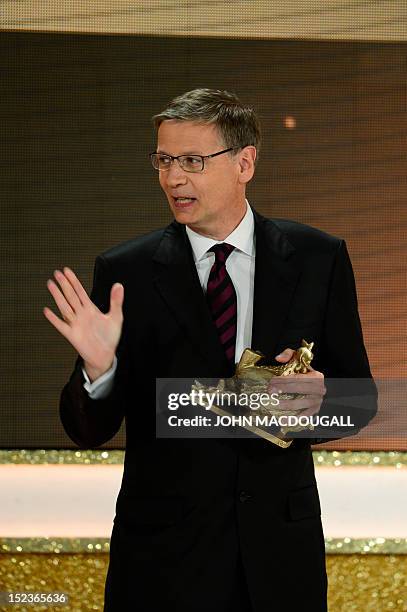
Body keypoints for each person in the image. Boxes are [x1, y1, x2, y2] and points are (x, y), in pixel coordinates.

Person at [43, 89, 375, 612]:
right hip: (162, 562)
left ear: (245, 163)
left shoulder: (318, 257)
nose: (173, 178)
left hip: (278, 557)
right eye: (164, 160)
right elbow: (88, 430)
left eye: (192, 161)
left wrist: (318, 400)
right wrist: (99, 370)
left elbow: (361, 401)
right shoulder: (124, 272)